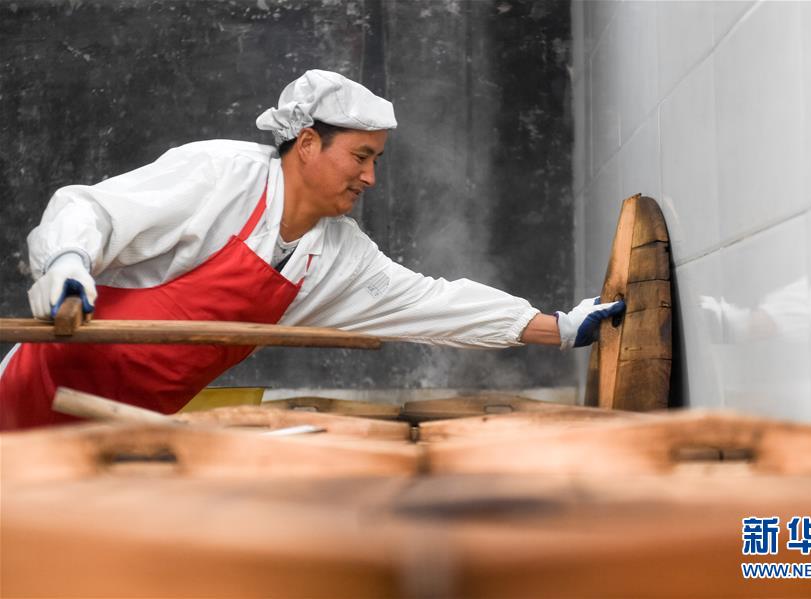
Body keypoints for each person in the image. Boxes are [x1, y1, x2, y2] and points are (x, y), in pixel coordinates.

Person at [0, 70, 624, 430]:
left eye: (376, 160)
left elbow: (436, 305)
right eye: (360, 156)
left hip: (123, 430)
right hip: (31, 396)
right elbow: (94, 210)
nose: (371, 177)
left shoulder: (337, 257)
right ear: (306, 144)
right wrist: (67, 263)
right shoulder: (221, 176)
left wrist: (559, 329)